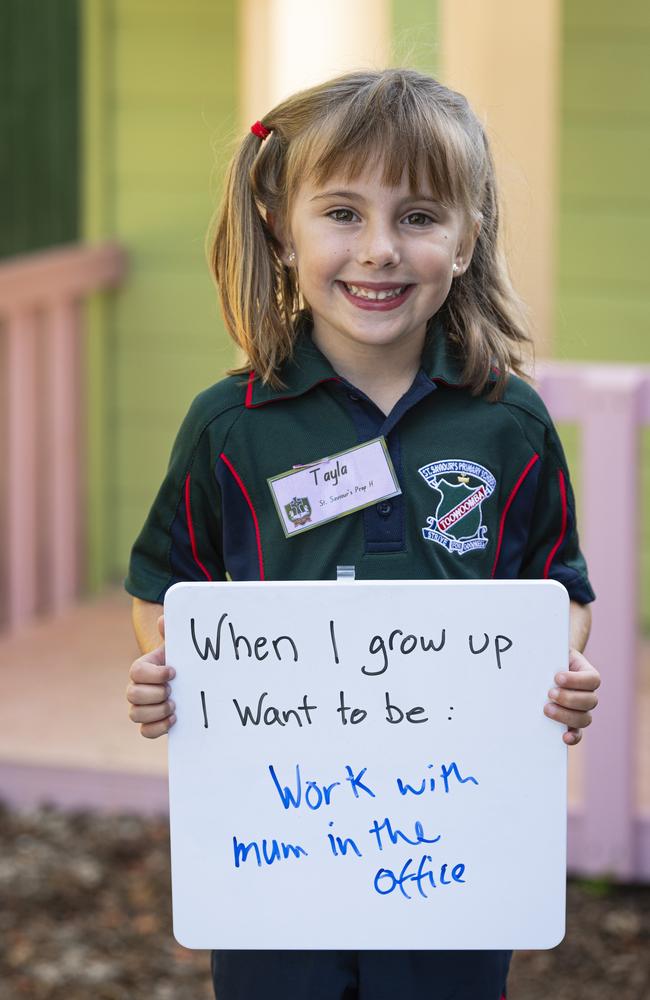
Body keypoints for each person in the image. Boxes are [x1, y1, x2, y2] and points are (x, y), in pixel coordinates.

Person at [125, 68, 600, 1000]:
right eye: (342, 212)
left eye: (419, 217)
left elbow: (562, 590)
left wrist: (561, 673)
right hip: (274, 853)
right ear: (281, 225)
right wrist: (167, 674)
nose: (379, 250)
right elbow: (164, 585)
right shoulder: (232, 425)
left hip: (454, 852)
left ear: (468, 240)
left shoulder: (511, 424)